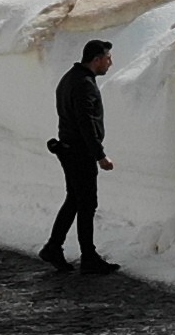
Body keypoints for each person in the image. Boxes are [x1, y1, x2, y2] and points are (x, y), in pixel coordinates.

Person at [40, 40, 117, 274]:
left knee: (75, 199)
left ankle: (54, 247)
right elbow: (86, 123)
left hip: (68, 149)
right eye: (107, 58)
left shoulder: (70, 78)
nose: (110, 63)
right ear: (96, 59)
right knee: (86, 204)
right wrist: (100, 155)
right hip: (79, 153)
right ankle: (88, 257)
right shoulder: (84, 84)